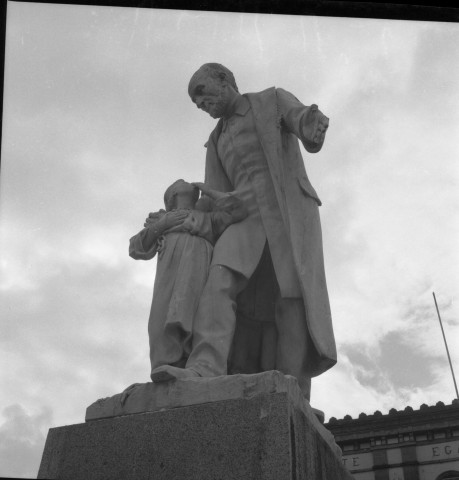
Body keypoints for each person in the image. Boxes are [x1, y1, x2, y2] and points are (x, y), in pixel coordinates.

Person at [150, 63, 337, 400]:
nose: (201, 105)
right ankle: (205, 368)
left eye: (202, 94)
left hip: (287, 211)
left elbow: (302, 120)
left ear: (225, 81)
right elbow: (215, 198)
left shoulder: (271, 100)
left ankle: (290, 389)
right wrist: (191, 220)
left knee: (290, 300)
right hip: (243, 217)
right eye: (196, 103)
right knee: (218, 281)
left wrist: (313, 123)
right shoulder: (216, 139)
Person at [129, 179, 247, 379]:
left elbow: (238, 211)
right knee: (161, 315)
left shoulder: (206, 218)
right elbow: (136, 248)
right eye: (182, 182)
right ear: (173, 195)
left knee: (192, 313)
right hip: (170, 269)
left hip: (198, 267)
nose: (187, 181)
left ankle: (187, 366)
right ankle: (163, 365)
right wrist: (162, 225)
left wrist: (210, 191)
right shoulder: (161, 219)